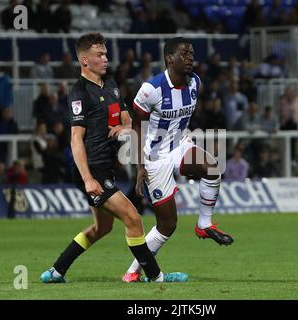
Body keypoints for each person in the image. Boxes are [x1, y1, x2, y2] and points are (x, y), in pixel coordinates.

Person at [40, 32, 187, 284]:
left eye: (106, 53)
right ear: (85, 61)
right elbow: (76, 139)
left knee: (102, 228)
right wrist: (87, 179)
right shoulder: (79, 93)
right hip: (92, 170)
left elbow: (127, 119)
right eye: (100, 55)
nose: (106, 58)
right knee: (133, 218)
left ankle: (56, 271)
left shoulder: (110, 87)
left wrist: (125, 127)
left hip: (106, 168)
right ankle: (155, 276)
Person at [124, 37, 234, 283]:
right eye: (184, 54)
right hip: (154, 157)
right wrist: (139, 165)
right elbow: (136, 126)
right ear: (169, 59)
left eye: (191, 53)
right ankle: (133, 271)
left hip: (179, 144)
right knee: (168, 224)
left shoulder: (195, 83)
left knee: (212, 166)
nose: (190, 58)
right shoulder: (151, 89)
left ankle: (204, 224)